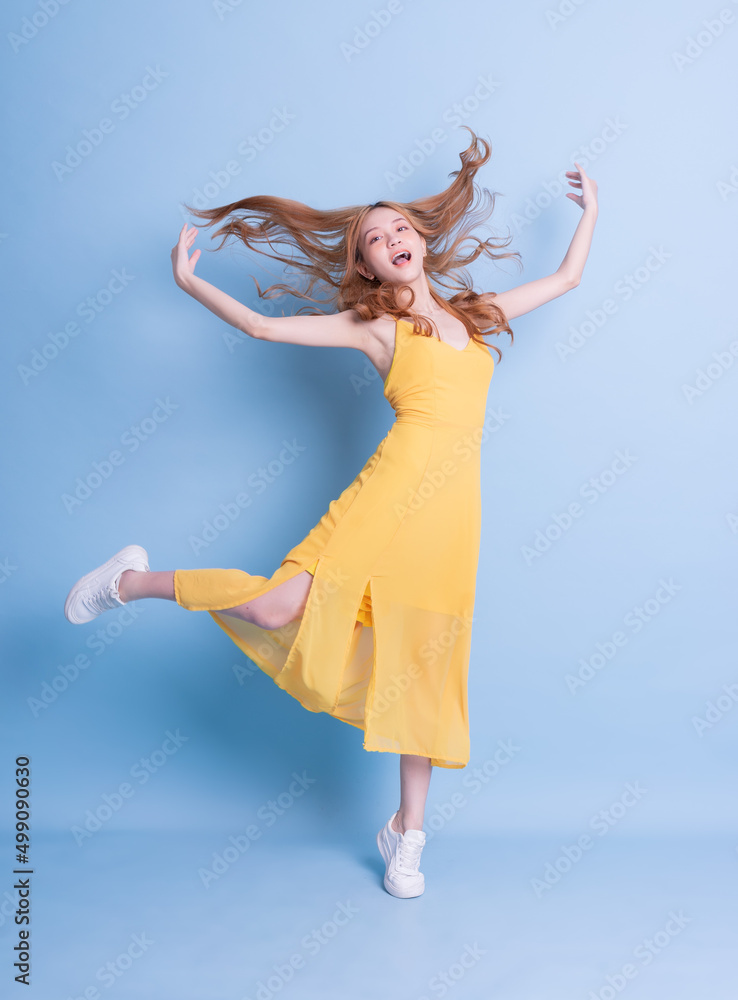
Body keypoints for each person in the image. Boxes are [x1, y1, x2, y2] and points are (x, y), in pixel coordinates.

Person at [63, 128, 598, 899]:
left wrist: (590, 210)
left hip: (452, 522)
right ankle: (132, 581)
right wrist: (191, 285)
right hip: (383, 502)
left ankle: (407, 838)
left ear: (420, 239)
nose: (391, 241)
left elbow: (569, 278)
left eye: (399, 229)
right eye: (374, 240)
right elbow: (261, 327)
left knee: (422, 668)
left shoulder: (476, 316)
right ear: (368, 265)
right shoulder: (377, 327)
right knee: (282, 607)